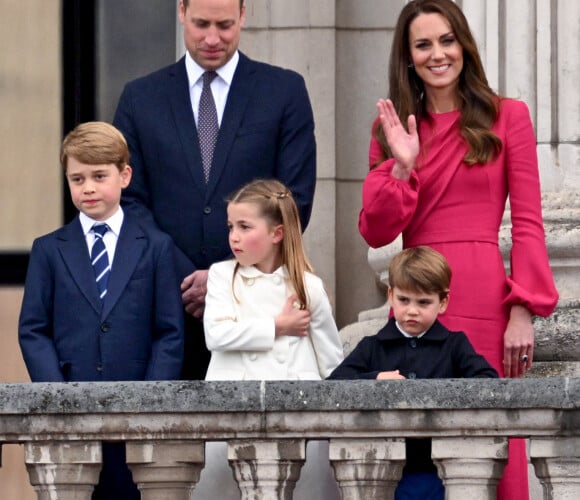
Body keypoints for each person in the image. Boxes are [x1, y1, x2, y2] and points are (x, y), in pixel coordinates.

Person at [358, 0, 559, 499]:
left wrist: (523, 309)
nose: (437, 54)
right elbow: (377, 231)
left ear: (464, 46)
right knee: (416, 439)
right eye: (422, 44)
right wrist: (402, 165)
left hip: (486, 299)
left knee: (495, 433)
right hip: (417, 298)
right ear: (408, 57)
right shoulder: (390, 130)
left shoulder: (507, 116)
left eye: (447, 40)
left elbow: (530, 223)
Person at [112, 0, 317, 380]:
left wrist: (225, 277)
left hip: (256, 309)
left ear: (244, 15)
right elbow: (127, 199)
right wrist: (186, 276)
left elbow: (294, 198)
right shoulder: (140, 98)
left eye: (224, 24)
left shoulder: (284, 91)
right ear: (181, 11)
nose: (211, 38)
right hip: (164, 310)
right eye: (201, 23)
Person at [18, 122, 184, 500]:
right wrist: (56, 396)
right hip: (71, 407)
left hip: (137, 412)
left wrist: (151, 399)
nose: (88, 187)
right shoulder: (48, 249)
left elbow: (169, 331)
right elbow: (33, 328)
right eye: (77, 178)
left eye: (98, 176)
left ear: (124, 176)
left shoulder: (156, 247)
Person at [193, 178, 343, 499]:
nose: (234, 236)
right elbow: (216, 334)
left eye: (245, 227)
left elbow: (331, 362)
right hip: (231, 411)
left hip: (298, 418)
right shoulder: (222, 276)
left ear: (277, 233)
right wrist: (277, 326)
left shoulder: (308, 286)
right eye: (231, 226)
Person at [328, 246, 498, 499]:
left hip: (442, 469)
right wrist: (374, 379)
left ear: (443, 302)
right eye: (404, 300)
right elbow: (333, 385)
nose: (412, 310)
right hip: (387, 468)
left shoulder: (454, 345)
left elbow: (488, 380)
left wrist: (446, 393)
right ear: (391, 295)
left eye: (424, 302)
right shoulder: (373, 346)